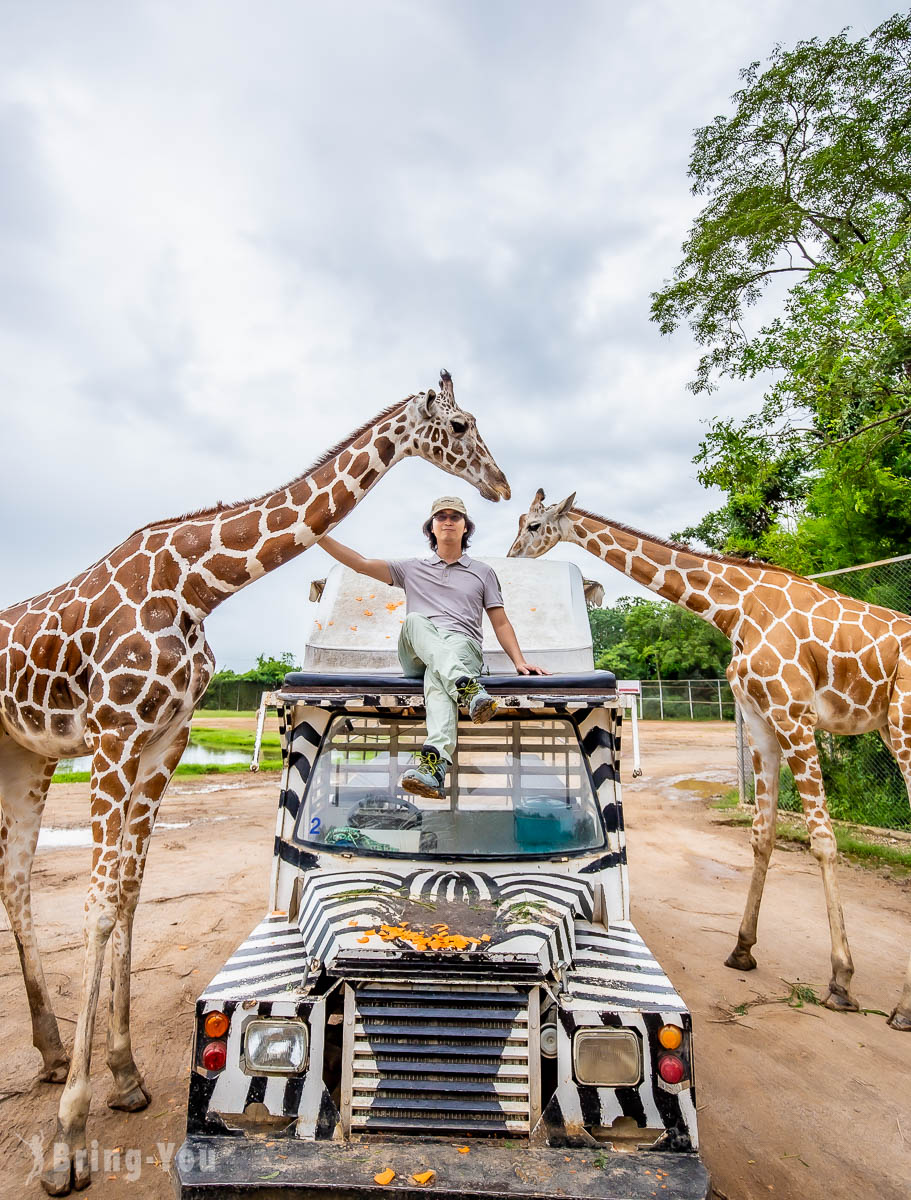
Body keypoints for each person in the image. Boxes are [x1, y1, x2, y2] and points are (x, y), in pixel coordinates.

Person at [318, 496, 546, 798]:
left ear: (466, 527)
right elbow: (359, 564)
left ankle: (433, 767)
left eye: (455, 516)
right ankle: (467, 689)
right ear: (431, 528)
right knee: (414, 619)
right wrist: (316, 535)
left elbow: (500, 622)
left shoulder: (483, 572)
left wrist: (519, 661)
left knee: (439, 679)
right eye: (441, 517)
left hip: (461, 646)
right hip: (419, 652)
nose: (448, 521)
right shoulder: (411, 569)